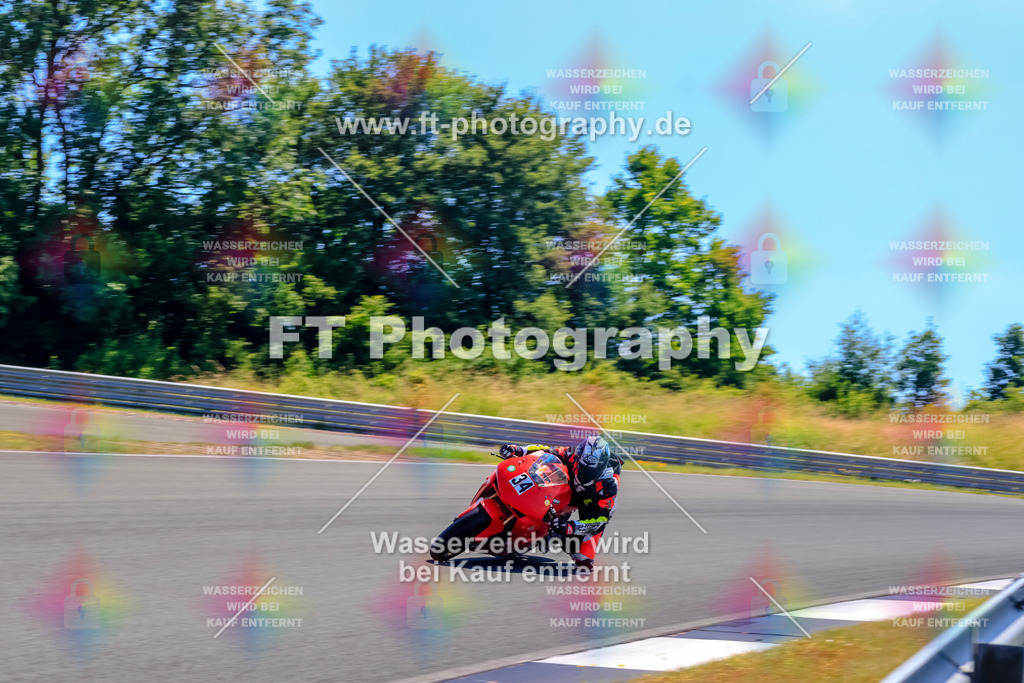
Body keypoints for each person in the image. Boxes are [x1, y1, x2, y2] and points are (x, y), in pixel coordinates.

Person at [499, 435, 620, 569]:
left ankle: (552, 535)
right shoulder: (572, 453)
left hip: (590, 502)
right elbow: (546, 451)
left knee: (583, 560)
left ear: (601, 468)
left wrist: (569, 527)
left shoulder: (609, 485)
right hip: (567, 485)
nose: (584, 474)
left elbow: (599, 521)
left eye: (590, 472)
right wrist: (518, 450)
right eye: (582, 467)